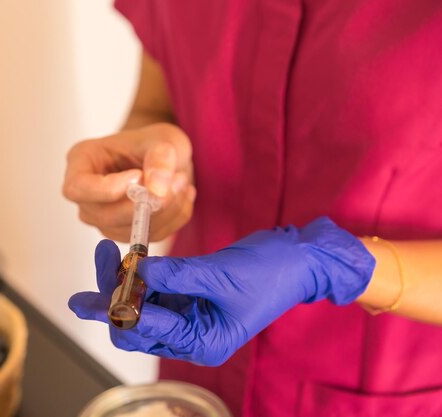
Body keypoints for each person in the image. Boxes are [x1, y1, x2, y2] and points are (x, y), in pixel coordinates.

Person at [63, 2, 442, 416]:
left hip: (375, 389)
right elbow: (157, 106)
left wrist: (333, 265)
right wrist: (148, 170)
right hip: (194, 354)